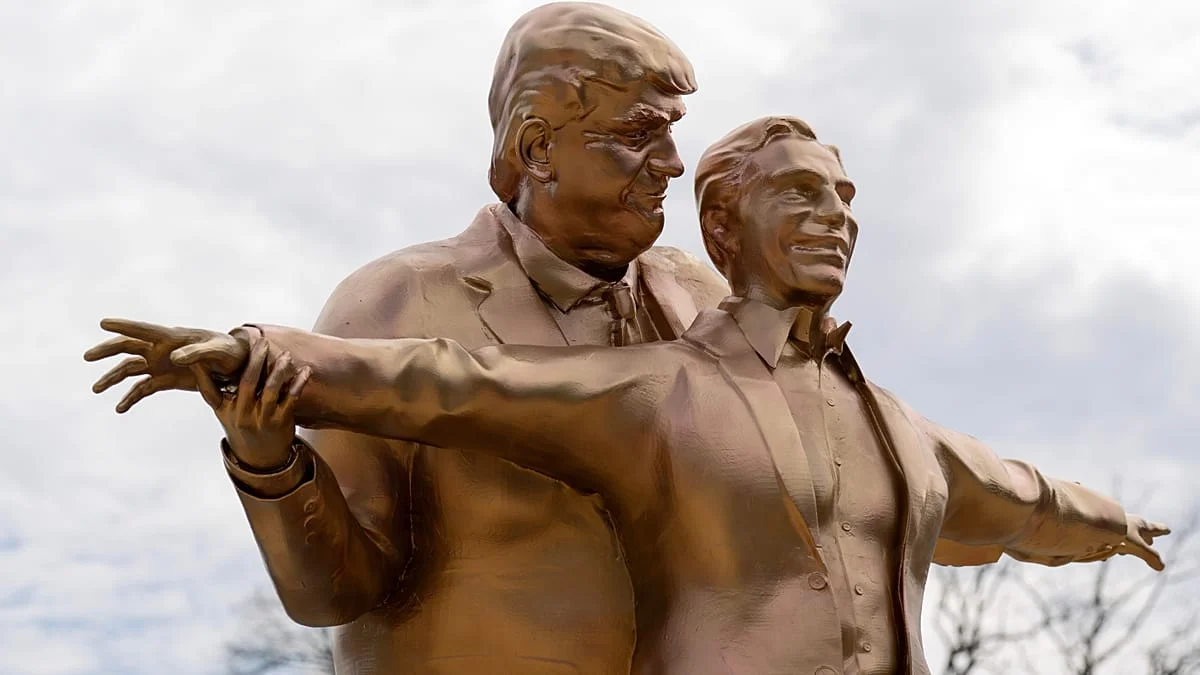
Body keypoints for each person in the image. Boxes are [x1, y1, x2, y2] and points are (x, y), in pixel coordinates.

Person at [88, 116, 1169, 675]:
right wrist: (251, 353)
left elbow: (1023, 500)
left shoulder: (898, 431)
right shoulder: (658, 393)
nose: (836, 213)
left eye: (845, 196)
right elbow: (450, 383)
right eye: (801, 192)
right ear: (725, 226)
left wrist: (1112, 524)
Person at [84, 3, 728, 673]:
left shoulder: (709, 307)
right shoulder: (398, 302)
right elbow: (336, 594)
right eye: (638, 133)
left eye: (673, 131)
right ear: (538, 149)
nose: (673, 164)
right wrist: (269, 463)